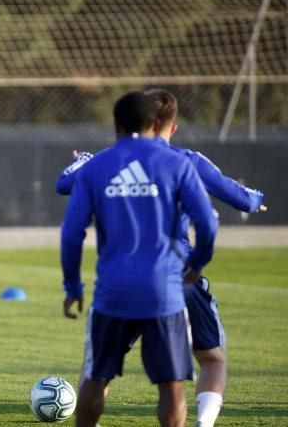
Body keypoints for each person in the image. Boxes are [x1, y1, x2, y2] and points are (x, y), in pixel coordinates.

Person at [56, 89, 266, 427]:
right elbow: (208, 222)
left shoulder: (98, 165)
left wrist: (72, 285)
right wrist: (196, 264)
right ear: (160, 124)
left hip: (113, 290)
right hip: (167, 286)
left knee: (95, 375)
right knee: (172, 383)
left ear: (116, 126)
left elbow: (70, 232)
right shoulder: (179, 162)